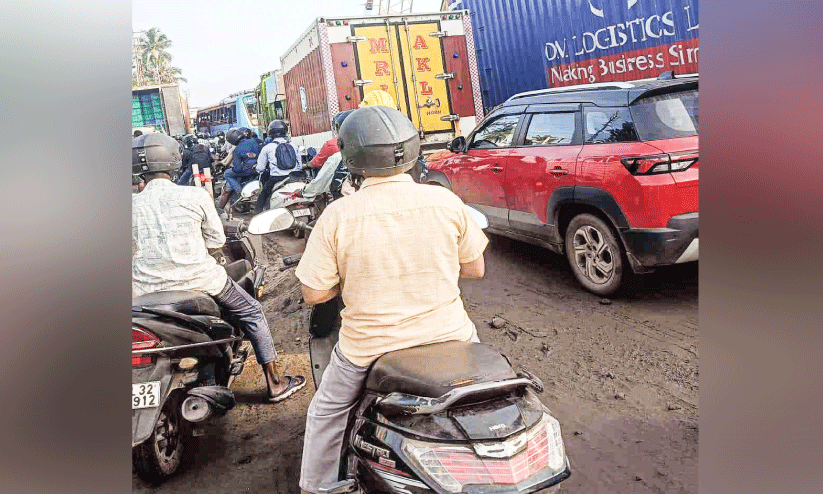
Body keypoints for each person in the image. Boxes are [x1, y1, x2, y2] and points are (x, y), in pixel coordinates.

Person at [294, 106, 488, 494]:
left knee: (327, 413)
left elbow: (315, 293)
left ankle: (314, 487)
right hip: (452, 340)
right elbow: (475, 269)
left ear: (351, 158)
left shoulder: (338, 214)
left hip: (368, 350)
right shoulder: (446, 201)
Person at [131, 133, 306, 402]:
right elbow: (217, 240)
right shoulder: (195, 195)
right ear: (174, 161)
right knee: (252, 311)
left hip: (144, 291)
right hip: (201, 281)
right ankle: (275, 383)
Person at [254, 119, 300, 213]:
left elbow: (260, 168)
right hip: (294, 177)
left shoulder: (267, 148)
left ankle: (257, 215)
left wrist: (257, 169)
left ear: (270, 132)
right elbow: (300, 165)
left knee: (263, 194)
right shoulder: (294, 145)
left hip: (276, 178)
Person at [218, 127, 260, 210]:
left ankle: (240, 192)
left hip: (247, 171)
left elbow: (238, 169)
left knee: (227, 173)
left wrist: (233, 169)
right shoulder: (255, 141)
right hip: (258, 169)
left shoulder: (237, 149)